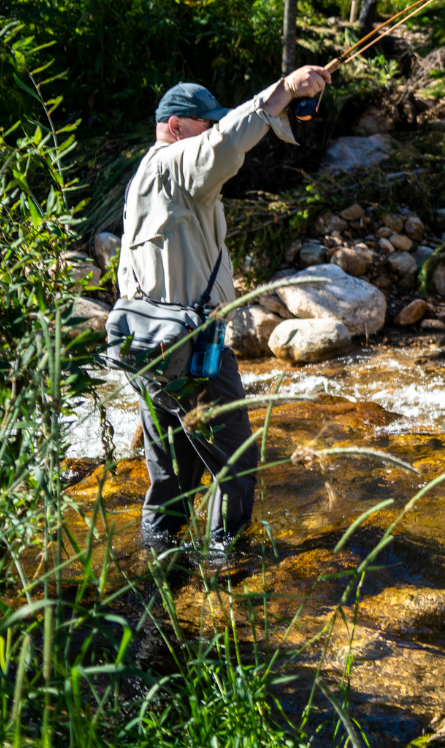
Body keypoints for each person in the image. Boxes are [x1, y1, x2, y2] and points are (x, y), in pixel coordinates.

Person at [118, 66, 331, 544]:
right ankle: (225, 567)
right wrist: (285, 92)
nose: (211, 130)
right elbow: (227, 142)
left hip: (150, 348)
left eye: (213, 123)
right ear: (176, 128)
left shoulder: (142, 183)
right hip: (193, 350)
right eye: (203, 124)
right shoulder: (172, 166)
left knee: (171, 481)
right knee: (234, 466)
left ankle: (161, 578)